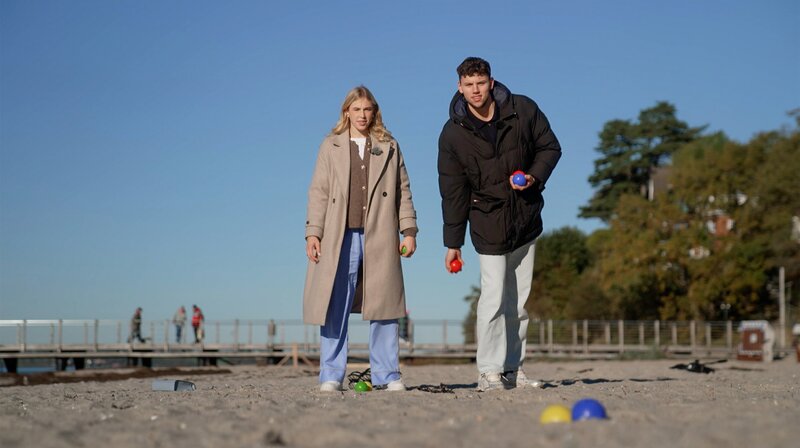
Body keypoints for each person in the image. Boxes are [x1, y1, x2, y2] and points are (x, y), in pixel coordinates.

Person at [438, 57, 561, 391]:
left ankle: (512, 369)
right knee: (493, 297)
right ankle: (488, 372)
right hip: (486, 221)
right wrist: (453, 243)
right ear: (459, 87)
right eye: (469, 85)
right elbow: (453, 191)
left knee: (518, 302)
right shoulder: (452, 134)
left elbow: (550, 147)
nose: (476, 91)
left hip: (526, 216)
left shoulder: (523, 109)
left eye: (481, 83)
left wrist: (533, 176)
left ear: (491, 83)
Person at [303, 85, 418, 392]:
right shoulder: (330, 145)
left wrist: (408, 231)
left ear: (374, 111)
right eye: (356, 109)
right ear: (347, 112)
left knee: (385, 304)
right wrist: (313, 233)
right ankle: (331, 374)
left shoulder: (389, 145)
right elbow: (319, 192)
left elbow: (403, 190)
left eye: (367, 109)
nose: (362, 115)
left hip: (380, 233)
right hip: (338, 235)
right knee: (334, 303)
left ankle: (388, 374)